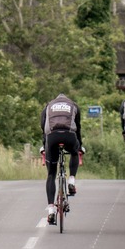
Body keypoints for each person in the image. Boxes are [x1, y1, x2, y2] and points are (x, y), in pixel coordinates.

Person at [40, 92, 83, 225]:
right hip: (69, 136)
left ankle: (51, 210)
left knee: (51, 174)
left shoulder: (48, 106)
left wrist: (44, 146)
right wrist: (79, 146)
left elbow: (43, 128)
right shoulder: (74, 105)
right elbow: (78, 129)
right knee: (74, 152)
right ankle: (71, 180)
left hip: (52, 138)